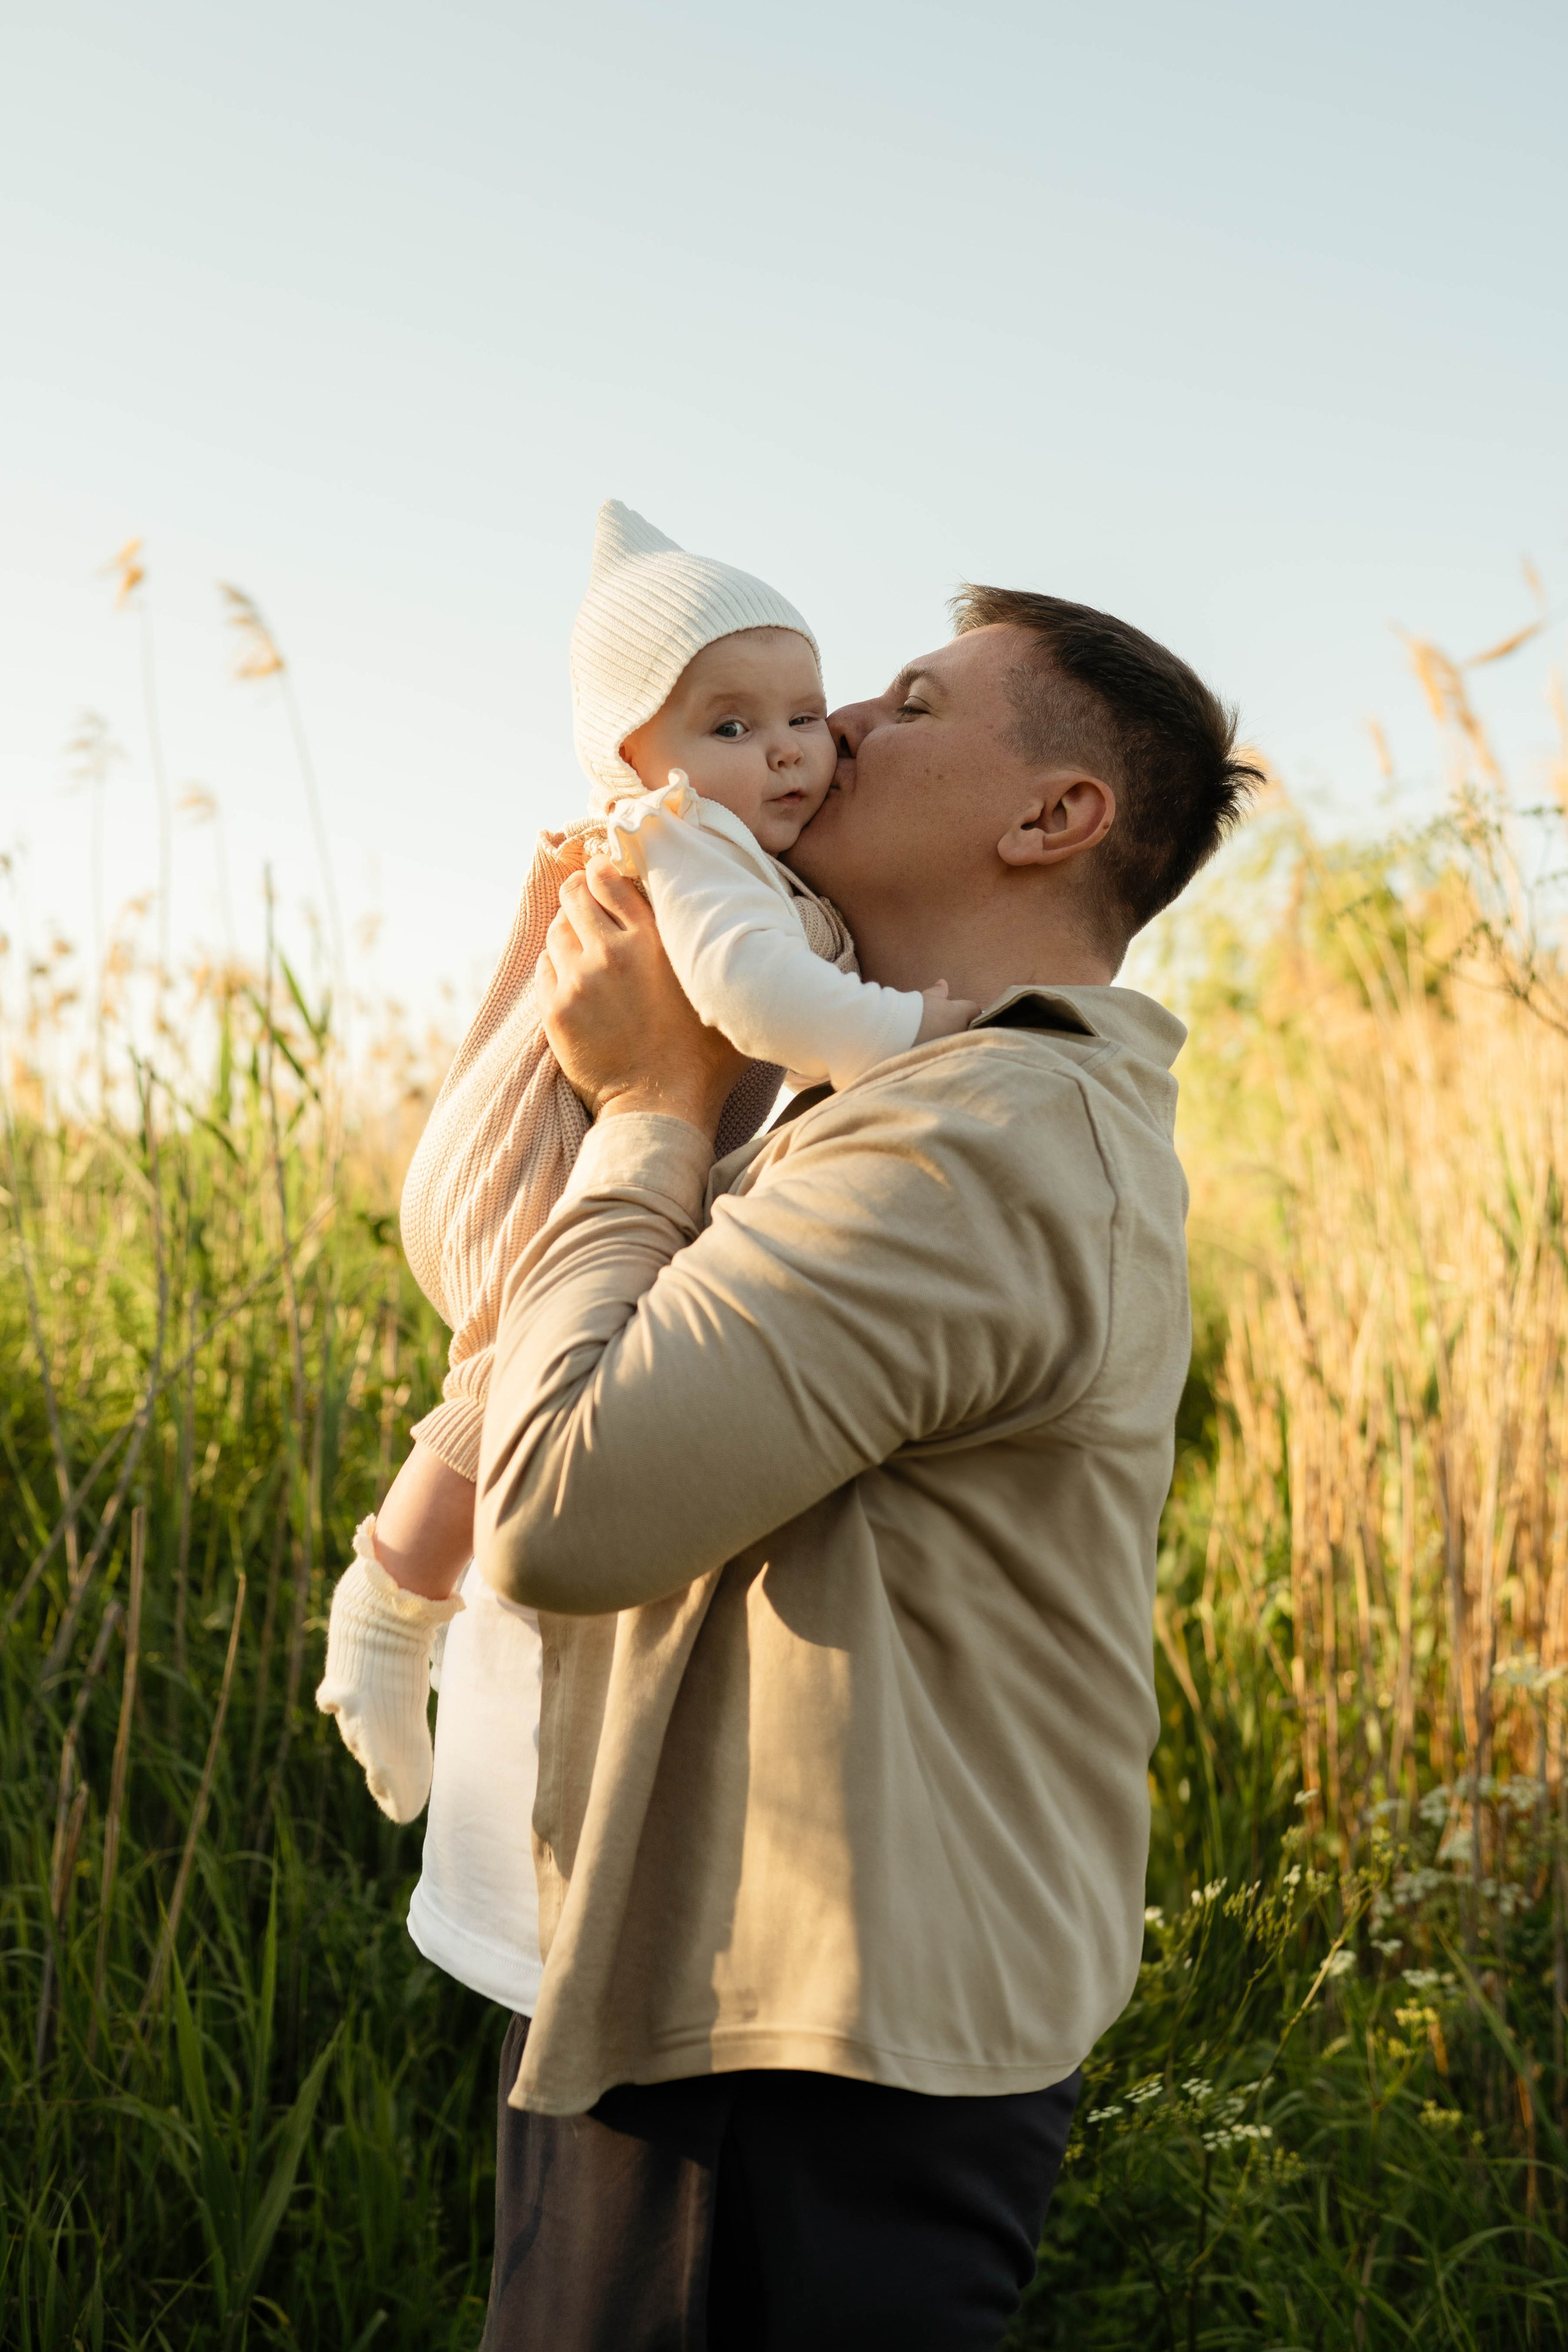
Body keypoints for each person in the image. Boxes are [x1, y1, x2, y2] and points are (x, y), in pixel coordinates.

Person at [463, 585, 1259, 2348]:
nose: (834, 733)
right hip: (756, 2013)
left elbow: (557, 1512)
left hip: (793, 2055)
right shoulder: (891, 1108)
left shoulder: (971, 1144)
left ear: (1052, 820)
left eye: (910, 702)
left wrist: (652, 1114)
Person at [315, 503, 973, 2018]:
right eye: (731, 723)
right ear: (631, 761)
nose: (795, 750)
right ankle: (391, 1598)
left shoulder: (729, 840)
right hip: (561, 1158)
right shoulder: (685, 852)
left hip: (619, 1152)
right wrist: (914, 1038)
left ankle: (394, 1602)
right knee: (510, 1376)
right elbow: (752, 998)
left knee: (502, 1376)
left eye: (805, 714)